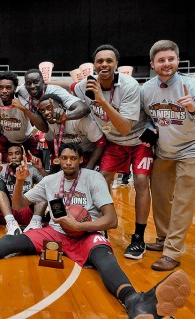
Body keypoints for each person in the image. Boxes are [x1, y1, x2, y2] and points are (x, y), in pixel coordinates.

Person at [0, 143, 191, 319]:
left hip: (86, 231)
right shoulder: (51, 180)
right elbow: (19, 204)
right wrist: (19, 182)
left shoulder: (93, 179)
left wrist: (81, 226)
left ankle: (135, 302)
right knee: (11, 242)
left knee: (104, 256)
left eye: (73, 159)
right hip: (55, 232)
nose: (68, 163)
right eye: (64, 159)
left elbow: (111, 220)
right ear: (58, 160)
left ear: (80, 160)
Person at [141, 40, 195, 271]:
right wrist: (150, 129)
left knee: (183, 202)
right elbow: (145, 117)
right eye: (161, 60)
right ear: (153, 63)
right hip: (164, 150)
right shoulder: (146, 89)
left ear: (177, 60)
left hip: (191, 149)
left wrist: (194, 109)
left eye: (171, 59)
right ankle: (163, 239)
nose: (167, 64)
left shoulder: (194, 86)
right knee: (162, 199)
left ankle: (173, 252)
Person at [72, 44, 153, 260]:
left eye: (109, 61)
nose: (104, 64)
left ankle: (138, 237)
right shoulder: (85, 85)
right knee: (102, 179)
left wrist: (102, 101)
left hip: (137, 141)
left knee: (142, 181)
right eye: (100, 61)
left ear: (116, 64)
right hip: (113, 143)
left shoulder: (129, 85)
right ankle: (101, 227)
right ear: (94, 66)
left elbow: (125, 127)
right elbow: (71, 87)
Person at [38, 93, 106, 171]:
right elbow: (50, 141)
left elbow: (101, 142)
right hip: (70, 158)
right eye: (42, 111)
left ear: (60, 107)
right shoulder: (50, 122)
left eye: (49, 108)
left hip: (89, 155)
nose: (46, 113)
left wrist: (90, 166)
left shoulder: (78, 120)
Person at [0, 144, 47, 235]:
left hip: (27, 209)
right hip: (8, 210)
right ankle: (11, 223)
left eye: (17, 153)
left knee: (44, 186)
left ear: (23, 156)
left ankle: (35, 222)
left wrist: (40, 168)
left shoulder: (31, 168)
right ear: (7, 157)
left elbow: (50, 184)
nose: (13, 157)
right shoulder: (1, 168)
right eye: (10, 154)